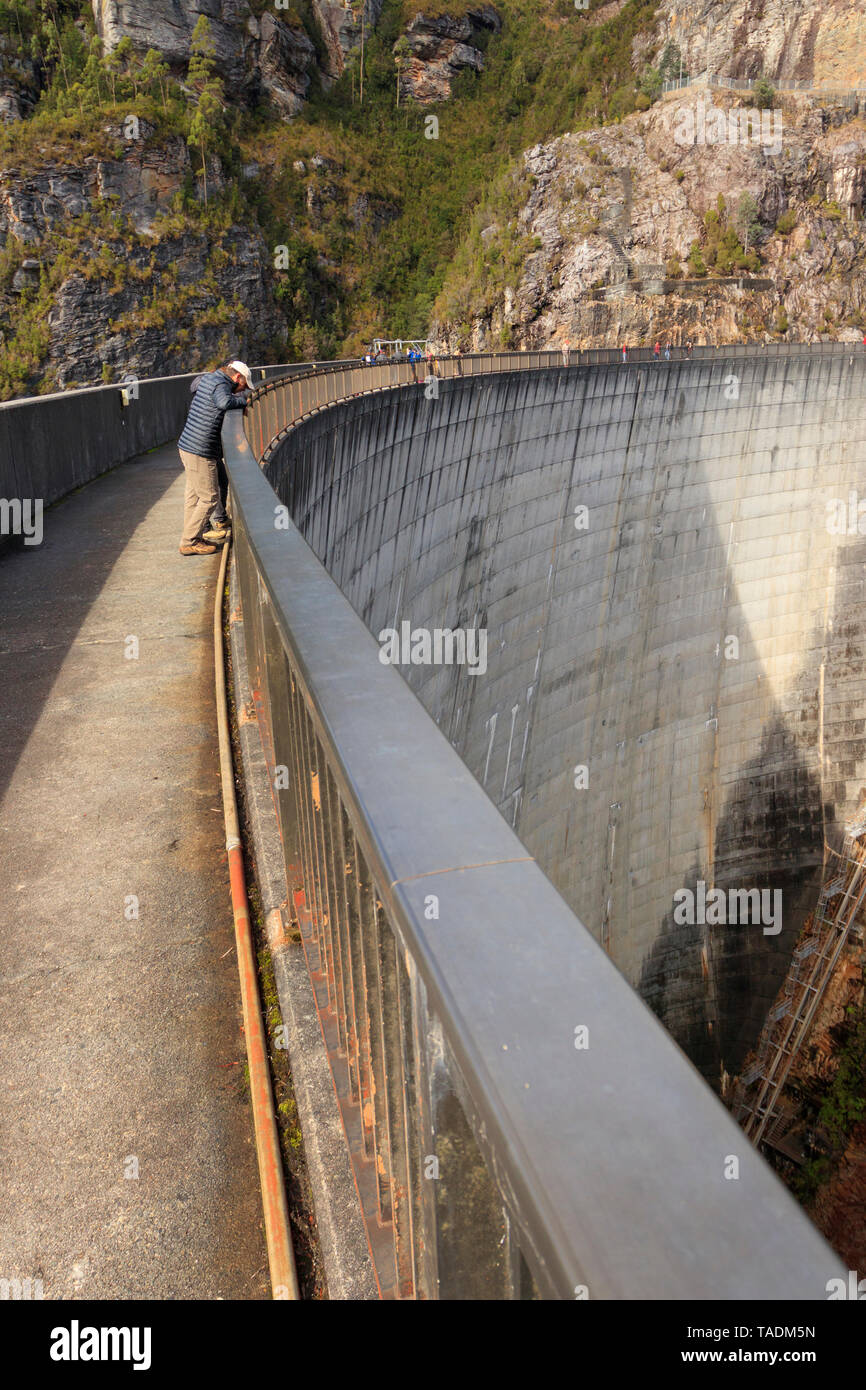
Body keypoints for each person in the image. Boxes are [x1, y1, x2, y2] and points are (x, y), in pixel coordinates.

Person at [177, 360, 252, 555]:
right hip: (200, 450)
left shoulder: (211, 378)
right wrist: (243, 402)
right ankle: (190, 541)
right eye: (243, 385)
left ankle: (193, 535)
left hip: (188, 446)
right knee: (209, 498)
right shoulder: (222, 384)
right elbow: (224, 402)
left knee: (193, 497)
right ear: (237, 377)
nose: (241, 390)